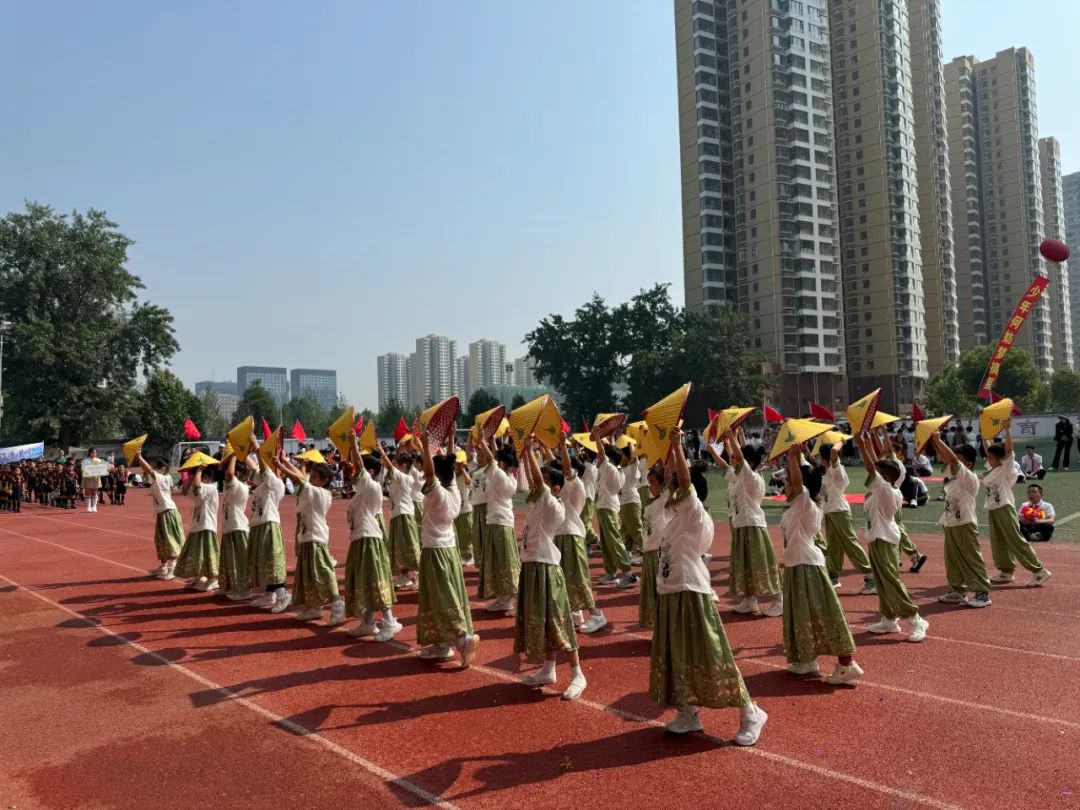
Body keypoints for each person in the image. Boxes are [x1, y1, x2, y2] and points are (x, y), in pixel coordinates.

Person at [650, 426, 767, 743]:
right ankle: (688, 712)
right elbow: (673, 478)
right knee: (679, 654)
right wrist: (669, 450)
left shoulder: (693, 511)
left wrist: (677, 446)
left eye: (674, 487)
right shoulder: (674, 512)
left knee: (713, 653)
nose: (669, 489)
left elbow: (683, 481)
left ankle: (750, 712)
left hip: (691, 591)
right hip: (672, 591)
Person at [779, 446, 862, 684]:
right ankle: (807, 660)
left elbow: (797, 480)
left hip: (807, 566)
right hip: (797, 565)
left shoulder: (805, 504)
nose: (785, 486)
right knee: (802, 615)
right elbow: (801, 479)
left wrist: (792, 456)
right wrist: (799, 458)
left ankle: (847, 664)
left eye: (788, 483)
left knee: (826, 614)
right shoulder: (801, 505)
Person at [514, 438, 586, 699]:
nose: (535, 483)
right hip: (532, 569)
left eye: (542, 481)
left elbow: (537, 480)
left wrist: (529, 451)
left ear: (555, 488)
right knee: (544, 623)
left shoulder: (554, 506)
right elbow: (535, 481)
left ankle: (578, 673)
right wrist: (525, 452)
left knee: (559, 622)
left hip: (546, 570)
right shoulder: (537, 503)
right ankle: (548, 669)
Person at [853, 431, 929, 642]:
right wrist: (867, 445)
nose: (873, 473)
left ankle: (916, 619)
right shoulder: (881, 489)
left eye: (879, 472)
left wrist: (862, 445)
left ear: (886, 477)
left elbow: (870, 467)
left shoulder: (887, 490)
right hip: (876, 538)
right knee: (881, 580)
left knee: (891, 580)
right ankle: (889, 618)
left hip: (885, 540)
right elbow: (874, 465)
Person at [414, 430, 480, 666]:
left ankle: (462, 639)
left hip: (435, 550)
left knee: (441, 597)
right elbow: (448, 462)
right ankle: (442, 644)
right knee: (443, 595)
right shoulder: (453, 489)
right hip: (449, 549)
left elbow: (431, 473)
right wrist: (450, 439)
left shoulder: (438, 492)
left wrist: (424, 446)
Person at [274, 454, 346, 626]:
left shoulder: (320, 492)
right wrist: (284, 462)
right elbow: (301, 478)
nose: (310, 479)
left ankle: (337, 604)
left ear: (324, 480)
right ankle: (314, 607)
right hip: (307, 537)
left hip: (316, 538)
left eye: (314, 477)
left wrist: (280, 464)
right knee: (309, 574)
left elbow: (299, 480)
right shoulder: (313, 491)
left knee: (322, 572)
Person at [343, 434, 400, 641]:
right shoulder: (360, 491)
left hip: (369, 539)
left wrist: (352, 443)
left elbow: (358, 464)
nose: (354, 472)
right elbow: (355, 464)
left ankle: (390, 620)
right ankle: (367, 622)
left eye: (361, 470)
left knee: (375, 579)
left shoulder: (371, 487)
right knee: (363, 580)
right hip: (359, 539)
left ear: (371, 471)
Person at [981, 421, 1052, 588]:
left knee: (1015, 539)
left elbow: (1008, 450)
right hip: (993, 509)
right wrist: (984, 435)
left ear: (1000, 459)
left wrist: (1007, 430)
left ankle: (1039, 570)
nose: (988, 459)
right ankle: (1006, 571)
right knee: (998, 541)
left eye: (991, 457)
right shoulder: (994, 468)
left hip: (1004, 508)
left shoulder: (1007, 468)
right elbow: (988, 449)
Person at [723, 426, 782, 617]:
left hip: (753, 524)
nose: (732, 460)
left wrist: (731, 435)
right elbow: (738, 457)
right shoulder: (742, 476)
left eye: (736, 458)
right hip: (742, 524)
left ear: (747, 462)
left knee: (761, 563)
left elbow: (739, 457)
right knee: (744, 563)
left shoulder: (750, 476)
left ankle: (779, 600)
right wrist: (732, 440)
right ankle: (749, 600)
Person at [931, 432, 993, 608]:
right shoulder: (952, 480)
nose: (951, 463)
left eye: (957, 460)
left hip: (965, 524)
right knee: (952, 559)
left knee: (971, 558)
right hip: (950, 523)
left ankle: (982, 593)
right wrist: (935, 443)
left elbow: (951, 460)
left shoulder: (969, 478)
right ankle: (958, 590)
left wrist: (939, 440)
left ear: (968, 463)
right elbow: (944, 458)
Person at [554, 436, 607, 634]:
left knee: (578, 577)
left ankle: (596, 614)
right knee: (564, 578)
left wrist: (561, 446)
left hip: (571, 536)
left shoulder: (574, 485)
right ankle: (576, 613)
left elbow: (566, 468)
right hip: (561, 536)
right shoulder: (562, 488)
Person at [818, 439, 875, 594]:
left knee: (850, 543)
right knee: (833, 546)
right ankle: (833, 576)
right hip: (830, 512)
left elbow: (834, 452)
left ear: (824, 457)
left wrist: (840, 441)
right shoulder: (823, 471)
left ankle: (871, 577)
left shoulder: (836, 469)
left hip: (840, 511)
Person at [476, 436, 522, 613]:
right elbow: (495, 458)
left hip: (499, 522)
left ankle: (511, 598)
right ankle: (505, 597)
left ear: (502, 462)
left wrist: (481, 441)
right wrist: (492, 442)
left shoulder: (499, 474)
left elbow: (491, 459)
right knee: (502, 561)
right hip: (500, 521)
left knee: (505, 561)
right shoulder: (509, 477)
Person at [247, 432, 291, 613]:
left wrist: (254, 443)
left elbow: (263, 468)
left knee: (271, 561)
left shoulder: (274, 481)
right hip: (259, 524)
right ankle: (269, 593)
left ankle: (282, 594)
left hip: (268, 525)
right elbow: (254, 465)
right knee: (262, 560)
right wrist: (238, 449)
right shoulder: (263, 483)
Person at [593, 438, 636, 588]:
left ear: (609, 459)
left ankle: (628, 573)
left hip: (608, 508)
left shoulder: (610, 469)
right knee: (606, 542)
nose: (598, 458)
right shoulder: (615, 470)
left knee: (614, 540)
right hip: (605, 507)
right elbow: (602, 455)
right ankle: (611, 573)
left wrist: (598, 436)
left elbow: (601, 453)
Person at [174, 460, 221, 592]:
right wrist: (190, 472)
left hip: (207, 524)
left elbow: (198, 487)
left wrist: (199, 469)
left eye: (199, 476)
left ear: (206, 478)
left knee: (208, 553)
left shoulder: (211, 487)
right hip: (198, 524)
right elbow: (186, 491)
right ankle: (200, 576)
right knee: (197, 553)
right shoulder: (200, 487)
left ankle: (213, 578)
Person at [639, 465, 671, 630]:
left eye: (653, 482)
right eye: (649, 482)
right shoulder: (651, 503)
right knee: (652, 593)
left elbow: (671, 476)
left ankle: (666, 627)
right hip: (649, 553)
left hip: (660, 553)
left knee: (662, 593)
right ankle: (658, 627)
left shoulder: (665, 499)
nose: (650, 486)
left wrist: (672, 448)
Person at [383, 448, 420, 590]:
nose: (392, 467)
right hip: (396, 515)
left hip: (405, 515)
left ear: (403, 466)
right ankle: (404, 576)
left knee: (410, 546)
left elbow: (390, 468)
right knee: (399, 547)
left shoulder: (406, 478)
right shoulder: (396, 477)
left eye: (396, 464)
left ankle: (418, 575)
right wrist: (398, 452)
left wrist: (382, 451)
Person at [219, 452, 254, 601]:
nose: (226, 474)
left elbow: (229, 474)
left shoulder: (240, 486)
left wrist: (234, 455)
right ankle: (231, 586)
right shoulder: (231, 486)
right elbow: (223, 470)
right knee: (229, 559)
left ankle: (245, 590)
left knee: (239, 560)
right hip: (230, 525)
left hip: (238, 526)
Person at [618, 442, 645, 568]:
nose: (620, 457)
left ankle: (642, 552)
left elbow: (634, 458)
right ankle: (628, 550)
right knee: (626, 530)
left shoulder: (632, 468)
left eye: (622, 455)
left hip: (631, 501)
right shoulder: (621, 469)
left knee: (635, 528)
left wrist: (629, 443)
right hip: (623, 503)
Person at [453, 450, 475, 566]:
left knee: (466, 533)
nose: (456, 466)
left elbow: (469, 483)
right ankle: (461, 554)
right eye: (455, 464)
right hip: (456, 509)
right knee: (458, 533)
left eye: (458, 463)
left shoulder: (466, 474)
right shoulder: (453, 475)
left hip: (465, 508)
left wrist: (463, 470)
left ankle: (469, 555)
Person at [81, 447, 103, 512]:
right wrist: (87, 475)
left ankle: (94, 506)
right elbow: (82, 470)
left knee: (94, 492)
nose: (94, 454)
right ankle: (88, 507)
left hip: (96, 478)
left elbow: (102, 468)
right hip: (87, 478)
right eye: (92, 452)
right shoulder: (85, 461)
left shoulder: (99, 460)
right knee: (88, 492)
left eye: (95, 452)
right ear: (89, 453)